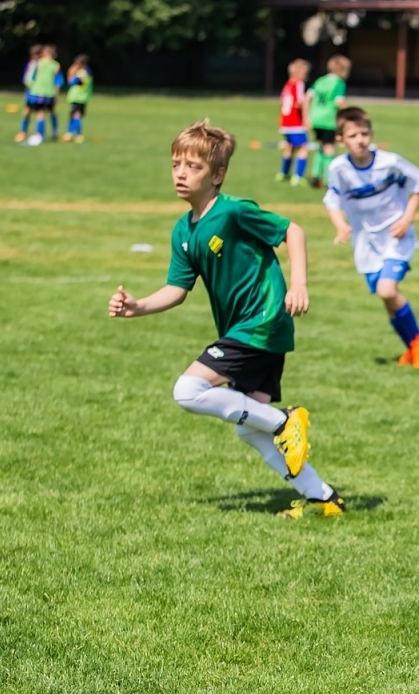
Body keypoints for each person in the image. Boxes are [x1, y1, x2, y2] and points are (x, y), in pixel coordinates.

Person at [107, 119, 345, 520]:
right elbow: (177, 289)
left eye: (193, 167)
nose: (181, 173)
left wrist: (298, 284)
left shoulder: (233, 212)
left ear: (217, 174)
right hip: (246, 329)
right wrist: (138, 307)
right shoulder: (184, 230)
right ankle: (323, 498)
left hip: (263, 320)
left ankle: (285, 421)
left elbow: (293, 231)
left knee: (188, 390)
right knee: (248, 426)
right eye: (176, 165)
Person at [322, 106, 419, 370]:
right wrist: (340, 226)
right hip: (366, 243)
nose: (360, 139)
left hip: (396, 237)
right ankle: (411, 344)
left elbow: (418, 184)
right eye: (353, 135)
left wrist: (406, 220)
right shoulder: (339, 168)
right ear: (341, 140)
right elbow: (332, 199)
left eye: (364, 133)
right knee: (386, 298)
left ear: (371, 133)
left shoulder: (390, 162)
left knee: (387, 289)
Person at [308, 55, 350, 187]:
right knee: (330, 148)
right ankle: (328, 179)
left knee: (321, 146)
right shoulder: (339, 83)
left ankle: (315, 176)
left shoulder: (320, 80)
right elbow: (339, 101)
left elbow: (308, 96)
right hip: (329, 120)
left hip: (315, 118)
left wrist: (306, 116)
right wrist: (350, 115)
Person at [277, 59, 312, 186]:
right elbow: (299, 103)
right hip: (295, 123)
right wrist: (306, 119)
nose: (307, 76)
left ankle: (284, 173)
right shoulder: (298, 84)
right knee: (303, 147)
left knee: (289, 147)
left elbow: (282, 102)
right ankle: (298, 176)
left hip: (285, 123)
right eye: (305, 73)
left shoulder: (287, 84)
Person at [25, 45, 62, 143]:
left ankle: (40, 134)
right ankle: (55, 132)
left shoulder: (37, 63)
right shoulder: (56, 65)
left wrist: (31, 89)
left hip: (37, 93)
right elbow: (58, 82)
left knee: (40, 113)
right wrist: (57, 94)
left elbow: (29, 79)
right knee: (52, 111)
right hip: (50, 93)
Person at [63, 54, 92, 143]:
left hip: (76, 97)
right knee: (77, 116)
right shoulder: (88, 72)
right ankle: (74, 134)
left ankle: (72, 134)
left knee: (75, 116)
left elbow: (71, 83)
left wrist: (70, 73)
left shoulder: (80, 74)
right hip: (83, 97)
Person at [16, 45, 42, 143]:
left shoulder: (42, 66)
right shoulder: (30, 65)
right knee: (26, 112)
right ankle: (23, 132)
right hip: (30, 93)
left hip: (39, 93)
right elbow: (26, 79)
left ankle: (39, 133)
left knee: (40, 112)